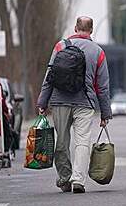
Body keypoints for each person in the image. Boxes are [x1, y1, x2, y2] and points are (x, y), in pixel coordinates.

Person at [37, 16, 112, 194]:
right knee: (82, 142)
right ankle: (78, 179)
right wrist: (105, 113)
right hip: (85, 102)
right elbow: (102, 86)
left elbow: (50, 75)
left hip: (59, 100)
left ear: (75, 28)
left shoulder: (60, 46)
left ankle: (64, 178)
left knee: (62, 141)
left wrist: (43, 101)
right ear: (91, 30)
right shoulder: (98, 51)